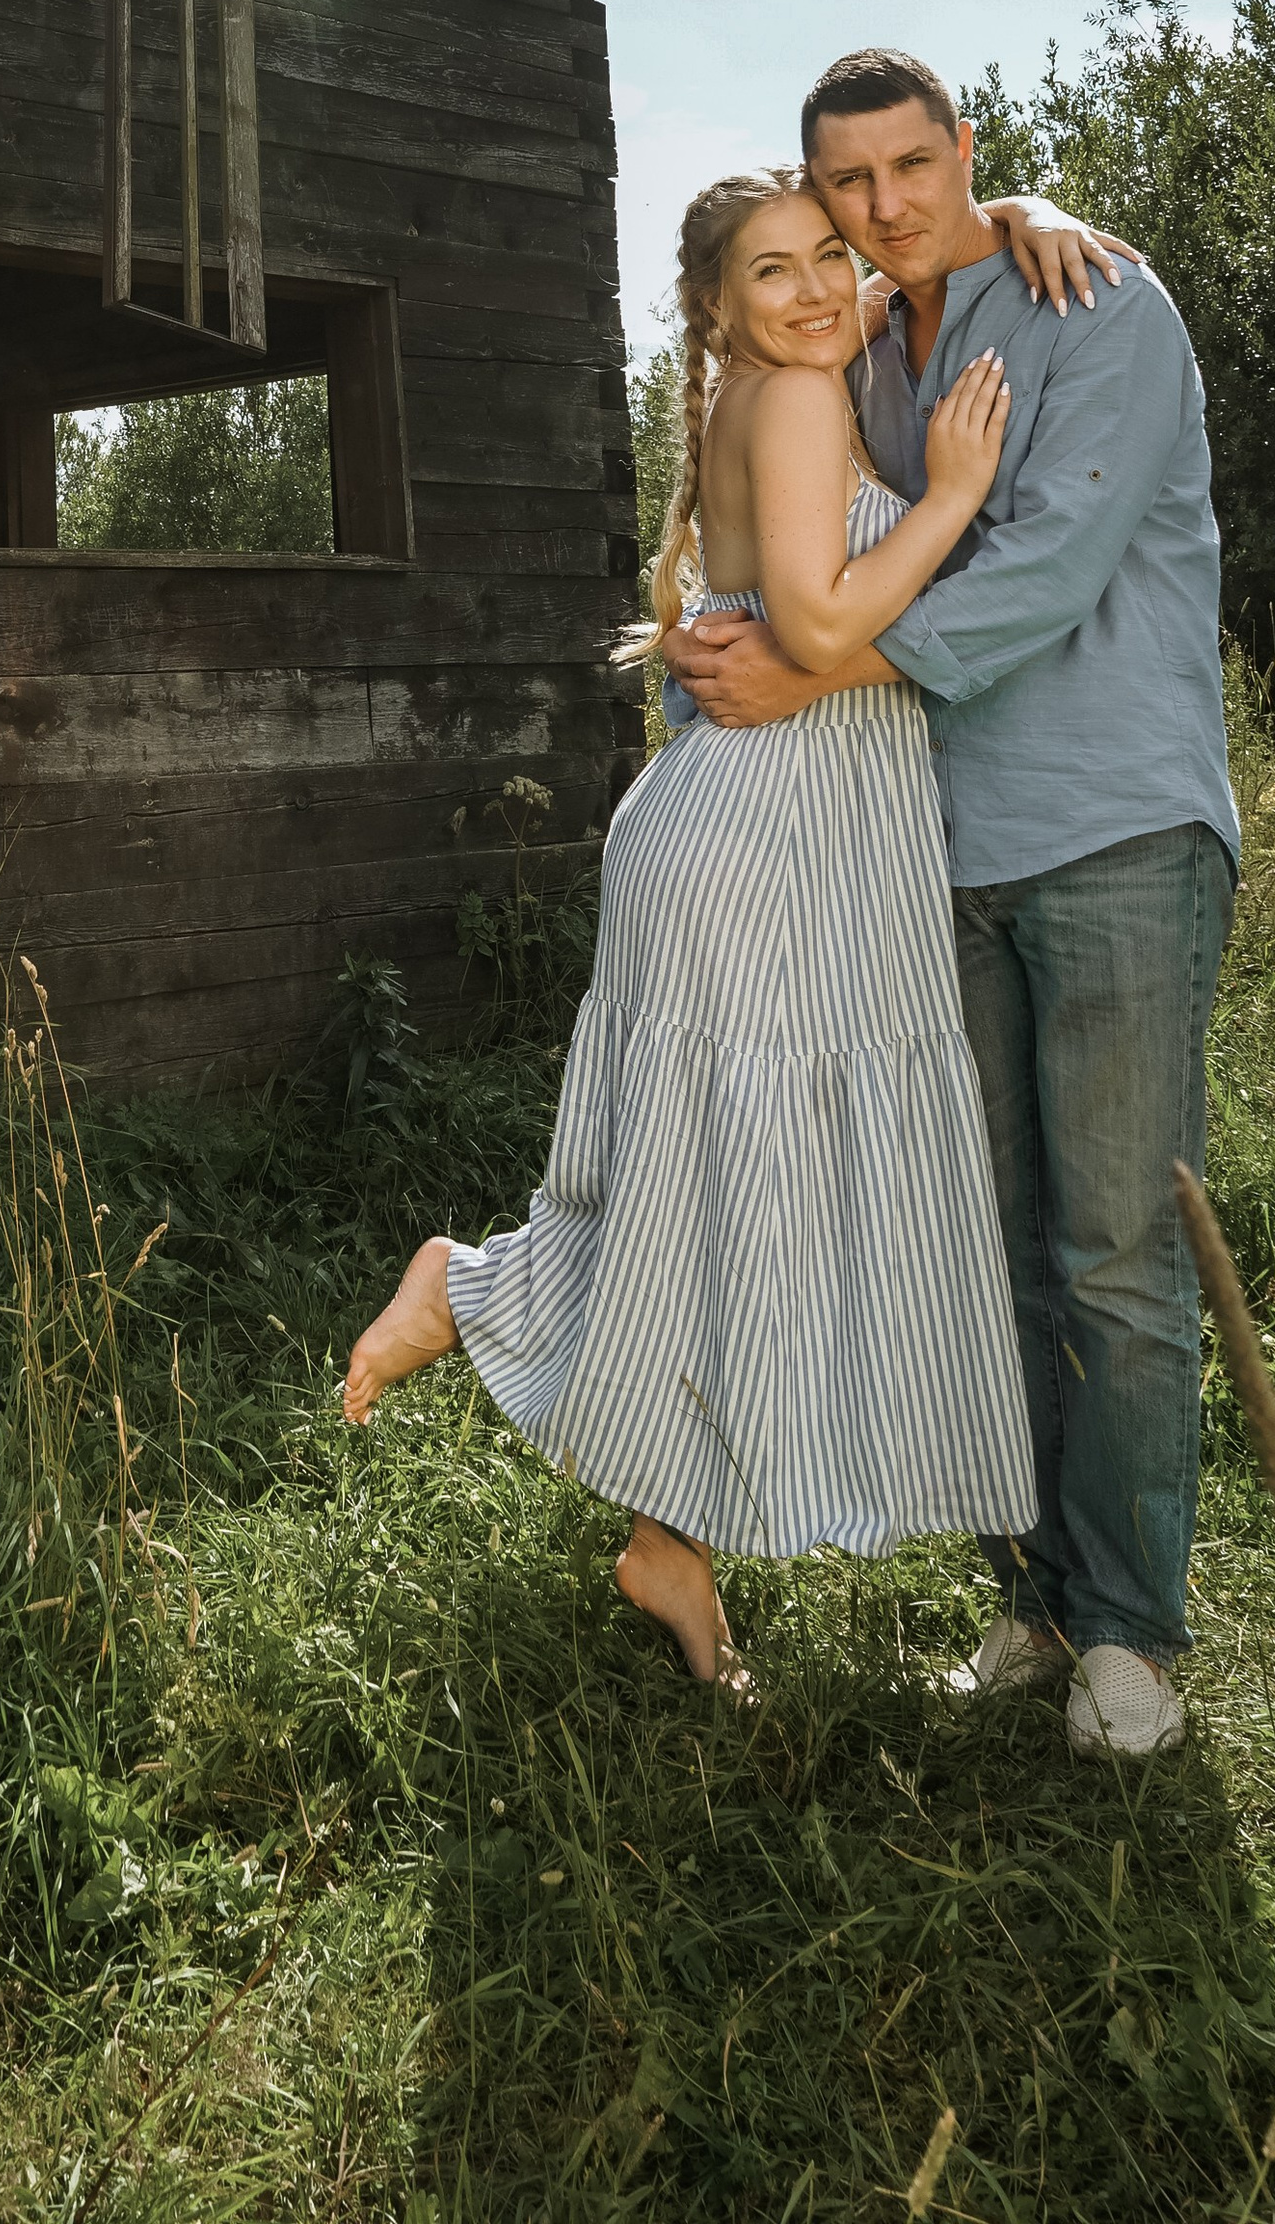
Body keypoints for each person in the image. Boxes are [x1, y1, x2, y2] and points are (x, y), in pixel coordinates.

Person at [343, 163, 1052, 1693]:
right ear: (716, 308)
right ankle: (469, 1290)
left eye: (825, 261)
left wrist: (1034, 218)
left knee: (727, 1188)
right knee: (744, 1173)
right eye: (772, 273)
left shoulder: (776, 381)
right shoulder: (795, 403)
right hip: (765, 835)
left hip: (761, 823)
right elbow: (810, 623)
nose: (811, 292)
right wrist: (948, 497)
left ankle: (673, 1536)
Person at [663, 49, 1239, 1762]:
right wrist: (736, 647)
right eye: (850, 185)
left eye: (919, 168)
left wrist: (807, 666)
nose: (886, 207)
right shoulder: (873, 347)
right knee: (988, 1242)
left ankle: (1133, 1636)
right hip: (940, 847)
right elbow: (798, 536)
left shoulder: (1103, 303)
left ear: (969, 154)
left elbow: (1044, 569)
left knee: (1118, 1250)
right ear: (820, 196)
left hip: (1119, 829)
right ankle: (1036, 1594)